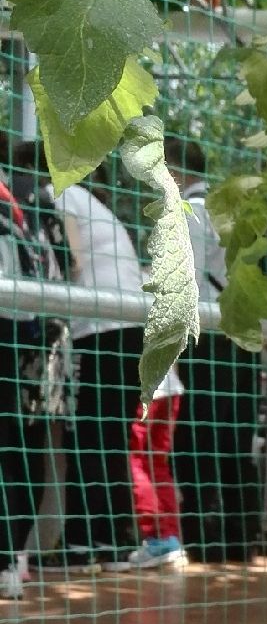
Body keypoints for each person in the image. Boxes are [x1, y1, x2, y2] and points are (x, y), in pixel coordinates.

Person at [167, 140, 265, 563]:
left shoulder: (189, 211)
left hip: (209, 340)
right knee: (234, 443)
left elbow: (184, 283)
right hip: (241, 339)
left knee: (198, 438)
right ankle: (240, 537)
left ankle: (204, 538)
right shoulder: (229, 210)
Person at [59, 171, 143, 562]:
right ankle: (115, 538)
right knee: (111, 435)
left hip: (99, 330)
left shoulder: (61, 195)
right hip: (130, 327)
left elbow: (71, 260)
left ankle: (82, 540)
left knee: (87, 434)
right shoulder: (101, 208)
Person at [0, 137, 71, 599]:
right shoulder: (36, 203)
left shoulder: (18, 199)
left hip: (14, 329)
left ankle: (11, 559)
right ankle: (14, 561)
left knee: (14, 447)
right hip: (37, 335)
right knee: (22, 445)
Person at [120, 365, 187, 569]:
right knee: (157, 463)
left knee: (138, 461)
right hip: (171, 386)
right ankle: (170, 538)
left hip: (148, 389)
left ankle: (158, 538)